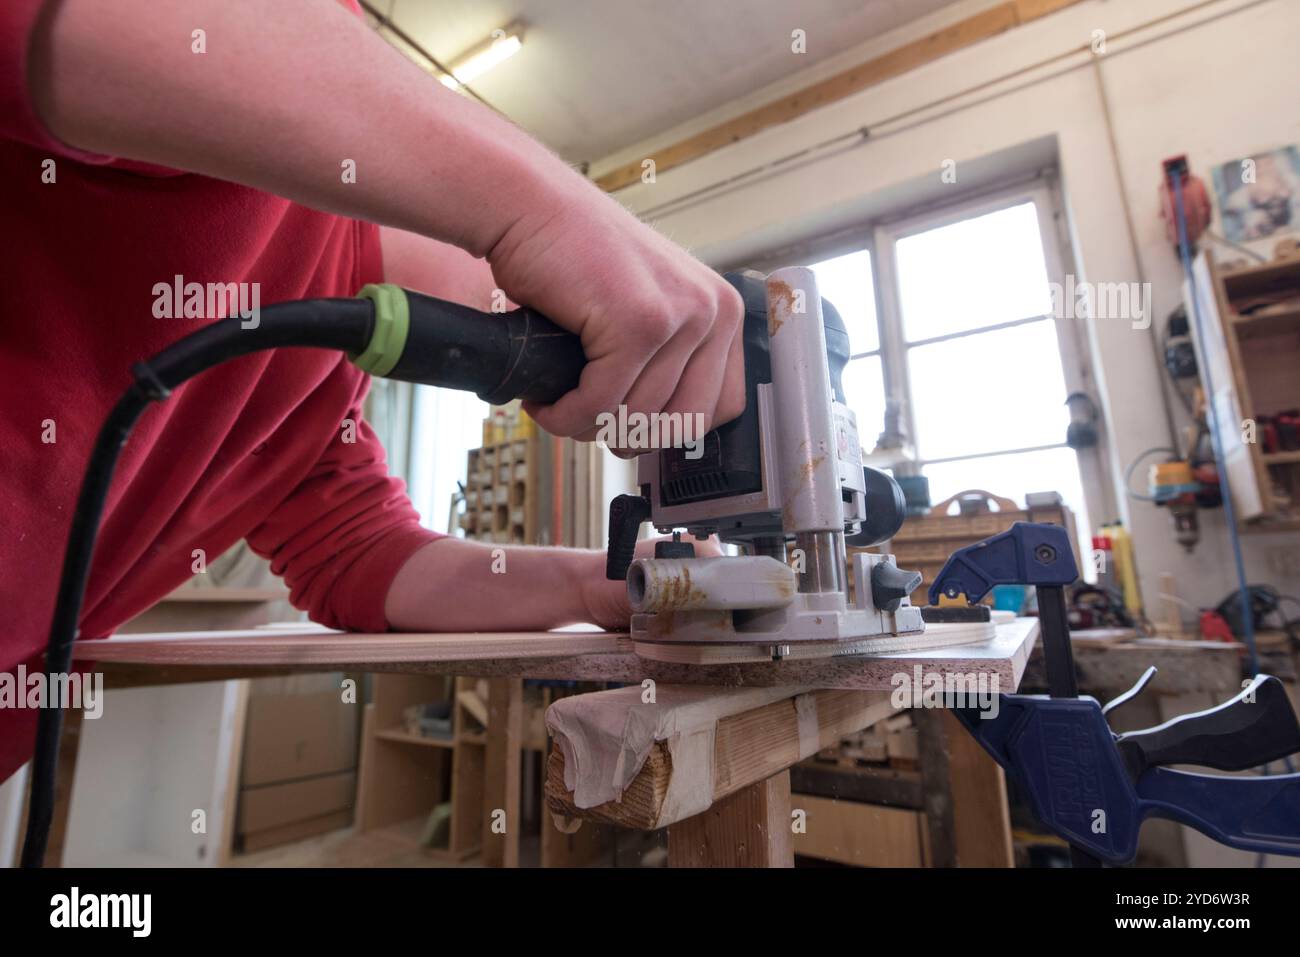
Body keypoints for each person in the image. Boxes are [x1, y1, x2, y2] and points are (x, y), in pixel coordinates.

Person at [0, 0, 745, 782]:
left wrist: (594, 583)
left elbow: (362, 556)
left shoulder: (319, 383)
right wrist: (541, 209)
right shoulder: (273, 75)